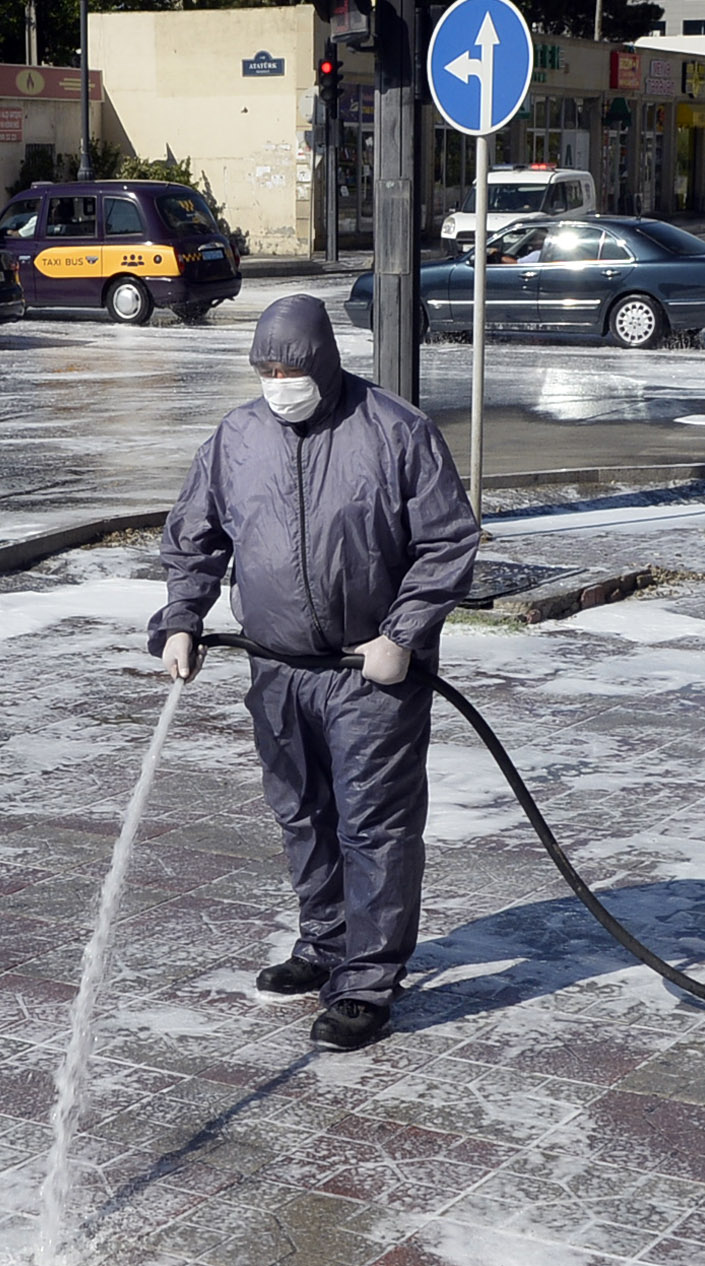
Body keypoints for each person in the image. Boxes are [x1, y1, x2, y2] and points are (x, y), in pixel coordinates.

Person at [150, 295, 481, 1054]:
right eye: (266, 369)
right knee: (302, 814)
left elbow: (447, 542)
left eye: (292, 368)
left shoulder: (395, 431)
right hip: (277, 669)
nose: (279, 382)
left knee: (374, 826)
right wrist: (180, 619)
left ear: (325, 364)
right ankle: (325, 944)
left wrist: (404, 633)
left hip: (370, 674)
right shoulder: (235, 439)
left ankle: (366, 981)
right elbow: (193, 538)